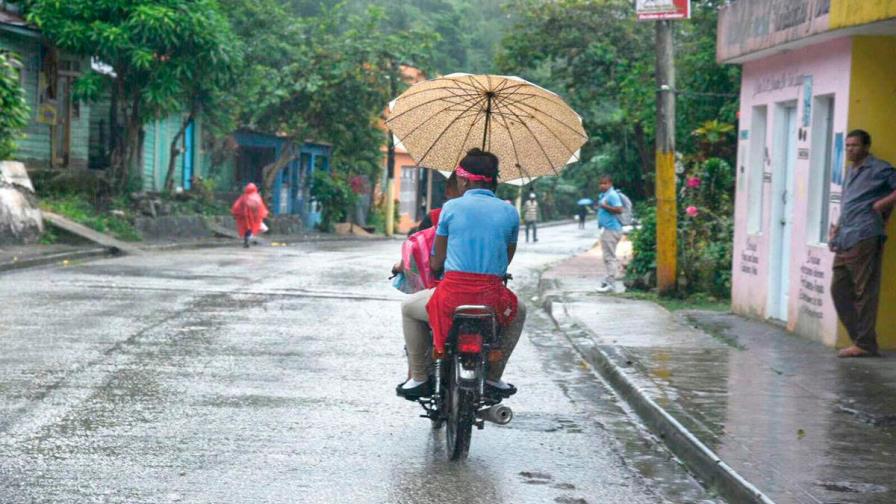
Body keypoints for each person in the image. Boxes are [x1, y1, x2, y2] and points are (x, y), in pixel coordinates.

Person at [397, 148, 526, 399]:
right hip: (492, 299)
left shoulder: (451, 208)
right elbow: (506, 259)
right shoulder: (510, 212)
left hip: (452, 296)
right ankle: (493, 377)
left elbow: (437, 262)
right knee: (520, 312)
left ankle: (420, 377)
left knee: (408, 308)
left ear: (464, 180)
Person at [829, 129, 896, 358]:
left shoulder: (880, 168)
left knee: (864, 291)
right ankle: (861, 339)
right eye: (847, 145)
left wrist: (882, 204)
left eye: (854, 145)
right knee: (838, 288)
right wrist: (837, 228)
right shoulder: (850, 170)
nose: (849, 149)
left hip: (866, 234)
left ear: (866, 147)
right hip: (846, 235)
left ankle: (865, 344)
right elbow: (849, 203)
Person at [596, 175, 624, 293]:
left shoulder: (612, 195)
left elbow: (619, 209)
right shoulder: (605, 195)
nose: (602, 185)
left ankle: (611, 284)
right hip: (607, 229)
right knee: (607, 257)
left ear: (610, 184)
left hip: (612, 229)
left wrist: (604, 206)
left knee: (609, 257)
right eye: (601, 183)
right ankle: (608, 280)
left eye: (605, 183)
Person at [231, 183, 269, 248]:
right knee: (253, 228)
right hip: (254, 217)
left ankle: (246, 240)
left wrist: (236, 213)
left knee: (246, 229)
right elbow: (260, 207)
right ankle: (248, 238)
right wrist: (261, 214)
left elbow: (237, 205)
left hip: (245, 217)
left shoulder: (244, 197)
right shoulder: (257, 197)